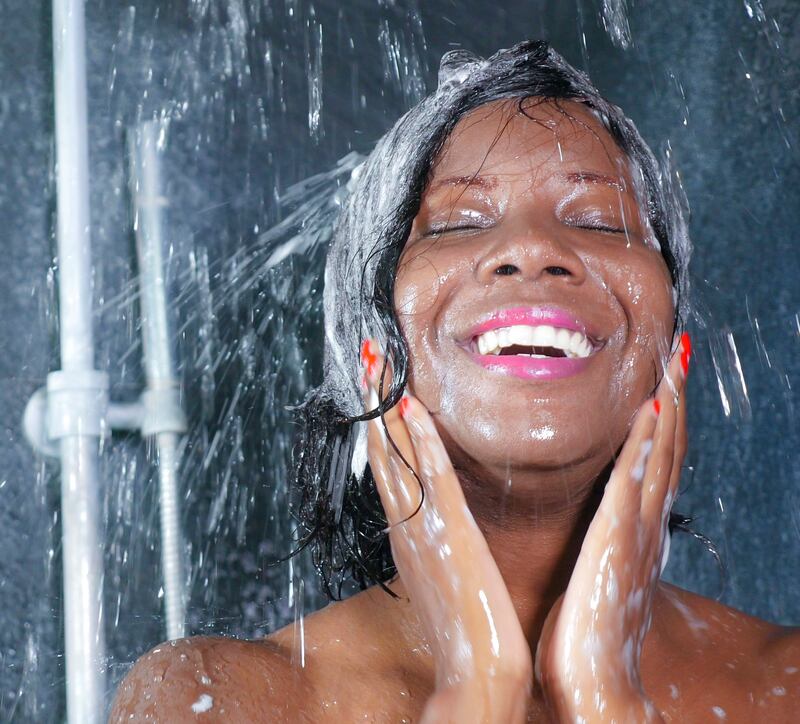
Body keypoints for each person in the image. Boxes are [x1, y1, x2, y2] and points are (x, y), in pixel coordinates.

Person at [111, 41, 799, 722]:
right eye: (458, 223)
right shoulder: (213, 699)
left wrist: (605, 696)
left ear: (670, 332)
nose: (533, 248)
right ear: (368, 331)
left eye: (598, 221)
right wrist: (478, 690)